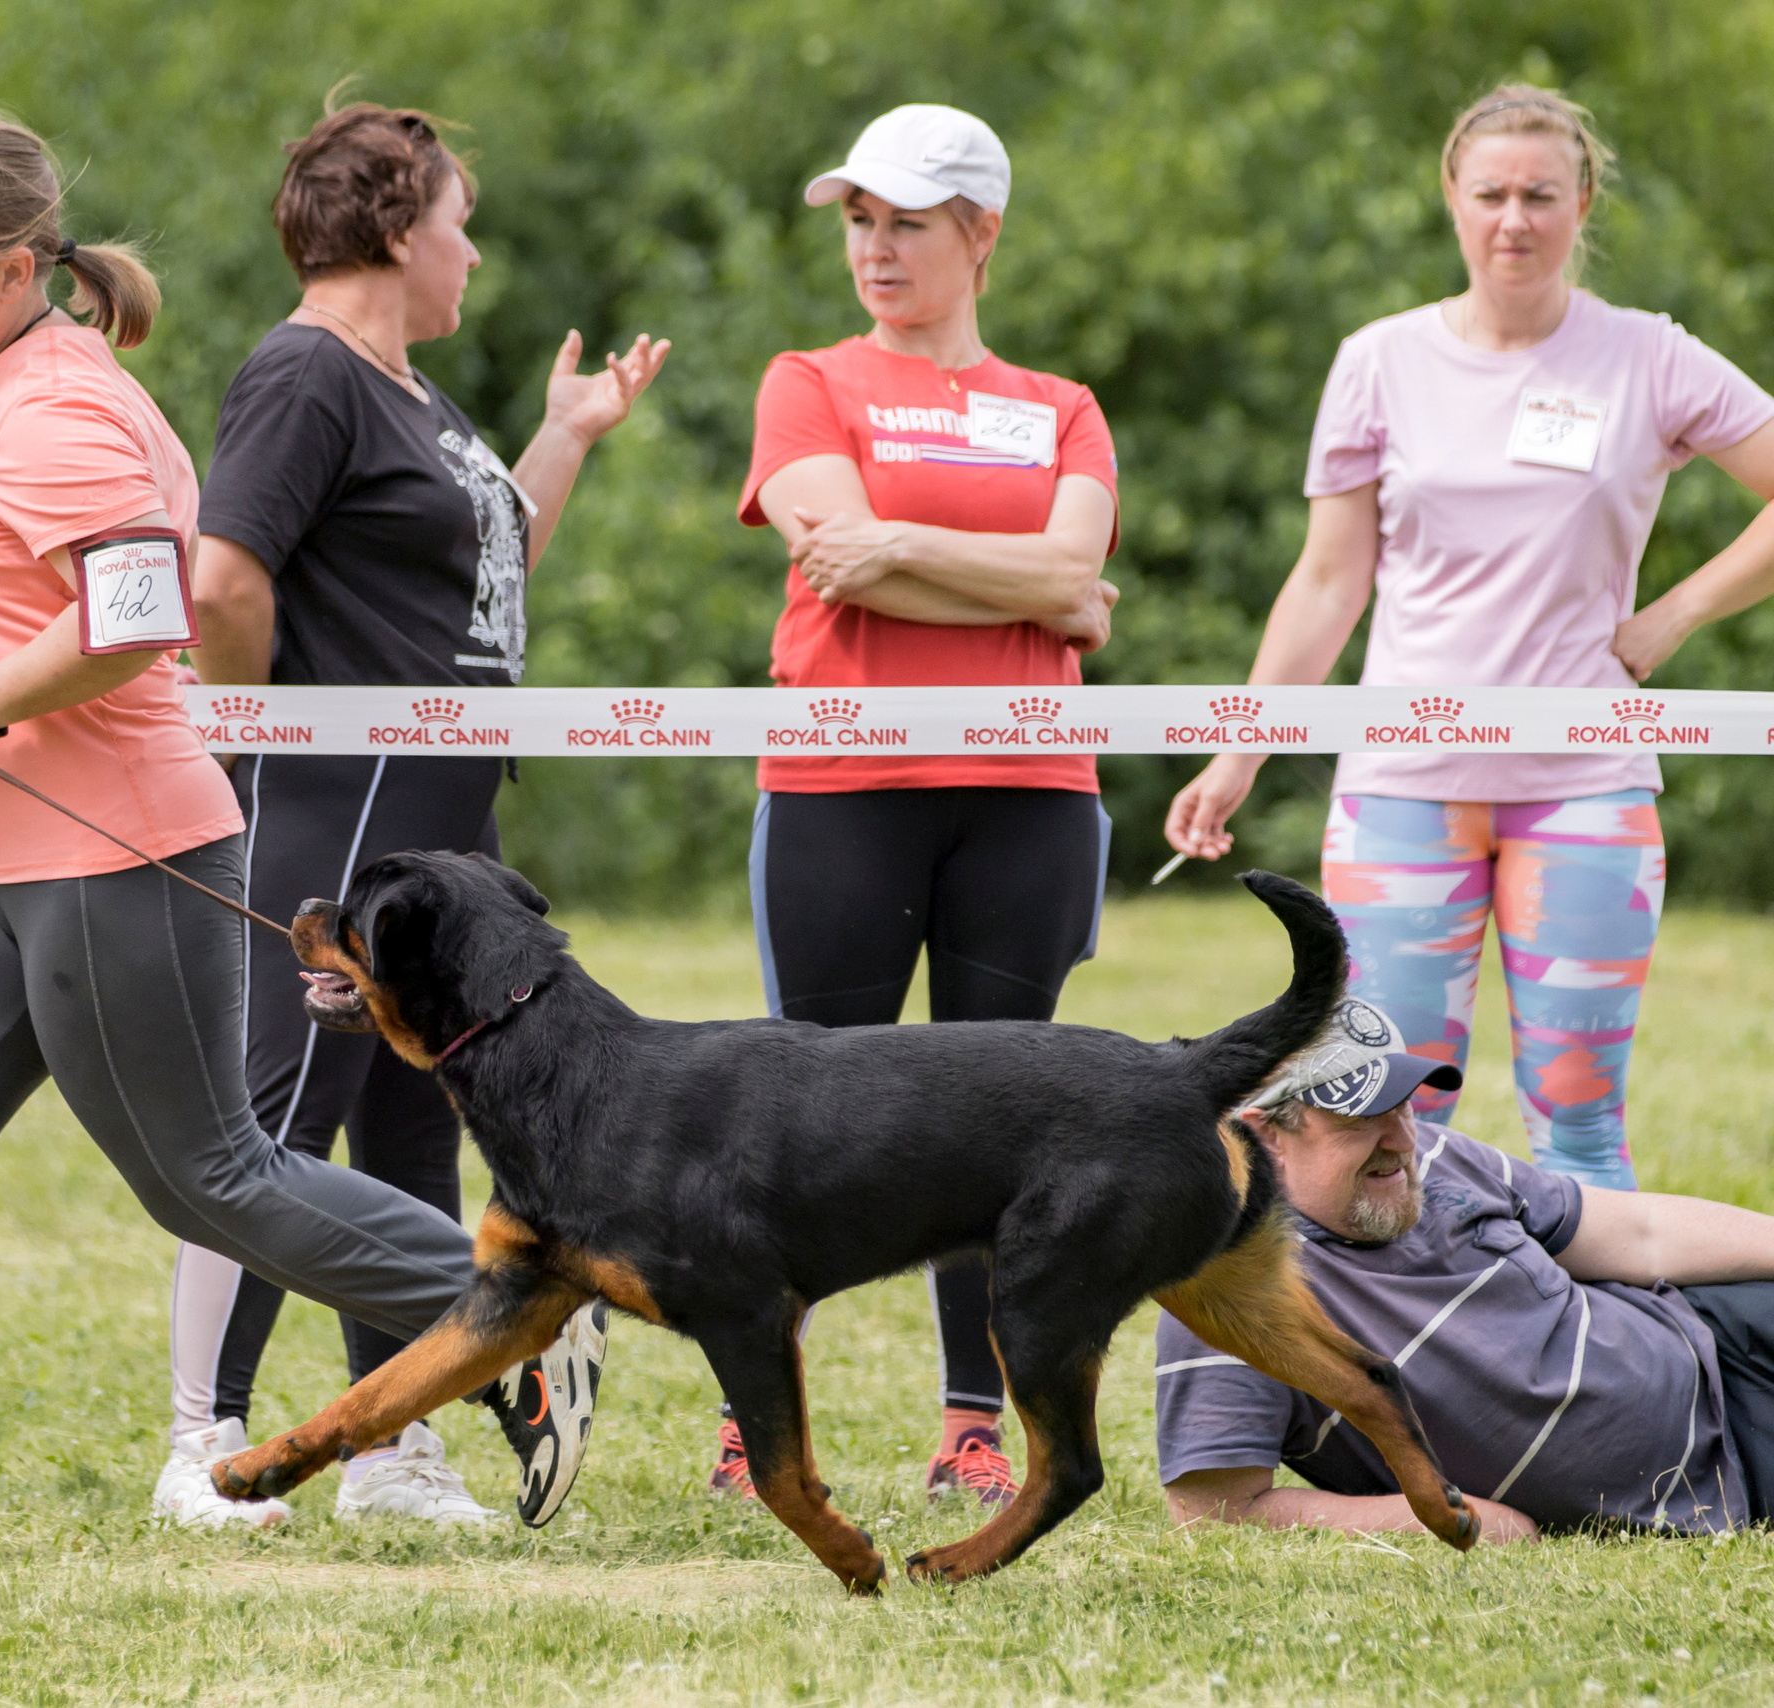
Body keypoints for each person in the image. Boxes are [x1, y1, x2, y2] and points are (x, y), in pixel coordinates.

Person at [0, 100, 605, 1562]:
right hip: (1, 853)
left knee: (213, 1175)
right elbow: (40, 609)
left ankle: (520, 1301)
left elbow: (139, 613)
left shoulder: (57, 403)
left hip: (117, 850)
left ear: (20, 262)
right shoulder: (7, 381)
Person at [158, 102, 666, 1528]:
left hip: (437, 847)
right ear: (395, 228)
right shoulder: (307, 372)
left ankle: (388, 1449)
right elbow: (220, 579)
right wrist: (261, 746)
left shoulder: (416, 399)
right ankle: (205, 1440)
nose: (475, 250)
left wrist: (563, 439)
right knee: (275, 1131)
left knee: (410, 1127)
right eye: (459, 221)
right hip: (336, 818)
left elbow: (485, 588)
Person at [1162, 86, 1774, 1192]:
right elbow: (1327, 579)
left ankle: (1606, 1362)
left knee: (1580, 1121)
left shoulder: (1647, 357)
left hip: (1584, 785)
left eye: (1540, 194)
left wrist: (1673, 615)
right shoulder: (1377, 361)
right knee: (1386, 1116)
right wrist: (1238, 749)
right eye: (1489, 193)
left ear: (1580, 201)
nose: (1513, 219)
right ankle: (1403, 1359)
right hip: (1404, 787)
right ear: (1451, 197)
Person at [724, 104, 1121, 1508]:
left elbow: (1072, 569)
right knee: (800, 1110)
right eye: (859, 220)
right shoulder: (808, 381)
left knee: (996, 1120)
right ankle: (755, 1421)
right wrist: (1018, 577)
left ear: (981, 232)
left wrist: (901, 542)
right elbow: (843, 562)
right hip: (845, 779)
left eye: (907, 220)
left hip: (1027, 789)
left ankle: (975, 1421)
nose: (875, 247)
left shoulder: (1063, 406)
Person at [1157, 995, 1774, 1540]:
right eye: (1362, 1118)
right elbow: (1216, 1511)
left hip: (1717, 1342)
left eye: (1403, 1106)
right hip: (1732, 1465)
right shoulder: (1228, 1285)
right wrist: (1429, 1515)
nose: (1402, 1141)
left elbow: (1641, 1234)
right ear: (1267, 1139)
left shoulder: (1437, 1153)